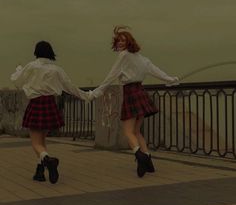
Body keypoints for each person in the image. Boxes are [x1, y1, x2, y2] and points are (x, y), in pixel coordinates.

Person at [88, 26, 179, 178]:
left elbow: (111, 76)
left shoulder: (123, 56)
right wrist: (171, 79)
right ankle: (148, 160)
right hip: (141, 93)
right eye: (118, 41)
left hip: (130, 93)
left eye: (123, 40)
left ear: (129, 42)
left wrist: (96, 92)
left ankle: (139, 156)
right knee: (137, 131)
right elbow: (156, 71)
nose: (120, 43)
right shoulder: (143, 59)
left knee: (128, 132)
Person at [11, 40, 89, 184]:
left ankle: (48, 161)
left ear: (36, 52)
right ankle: (40, 172)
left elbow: (17, 81)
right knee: (42, 141)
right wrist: (87, 95)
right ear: (50, 52)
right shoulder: (56, 69)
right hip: (50, 104)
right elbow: (69, 86)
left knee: (35, 142)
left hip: (36, 104)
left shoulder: (32, 66)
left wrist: (18, 69)